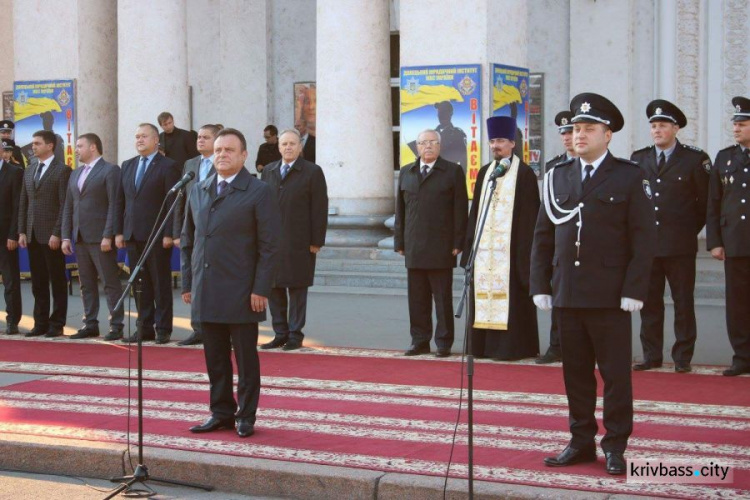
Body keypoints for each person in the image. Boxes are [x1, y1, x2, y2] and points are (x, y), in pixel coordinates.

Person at [530, 93, 656, 475]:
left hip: (610, 295)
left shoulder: (629, 175)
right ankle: (580, 441)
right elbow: (543, 236)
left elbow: (643, 238)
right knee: (576, 375)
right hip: (568, 291)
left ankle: (615, 444)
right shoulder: (558, 176)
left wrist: (635, 289)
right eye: (576, 129)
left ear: (608, 134)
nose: (579, 135)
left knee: (615, 376)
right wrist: (541, 283)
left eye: (589, 129)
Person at [182, 128, 280, 438]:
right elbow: (189, 240)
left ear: (243, 155)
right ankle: (220, 411)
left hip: (242, 290)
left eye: (229, 150)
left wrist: (261, 288)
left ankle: (245, 415)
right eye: (218, 150)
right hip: (207, 287)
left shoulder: (258, 191)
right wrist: (189, 282)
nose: (221, 154)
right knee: (214, 356)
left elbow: (270, 245)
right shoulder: (198, 189)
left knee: (245, 358)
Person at [631, 99, 711, 374]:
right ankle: (651, 355)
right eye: (653, 125)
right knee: (649, 304)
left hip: (679, 245)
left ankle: (682, 357)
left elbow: (704, 204)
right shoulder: (639, 159)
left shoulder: (694, 159)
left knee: (682, 302)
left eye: (663, 125)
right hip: (648, 246)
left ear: (675, 128)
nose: (656, 130)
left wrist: (688, 230)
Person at [462, 116, 540, 361]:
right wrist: (470, 251)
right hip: (484, 253)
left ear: (512, 143)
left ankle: (512, 348)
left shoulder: (525, 174)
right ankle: (483, 347)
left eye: (501, 140)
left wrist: (526, 256)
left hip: (512, 252)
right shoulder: (485, 173)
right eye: (493, 140)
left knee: (513, 300)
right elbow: (475, 213)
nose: (496, 145)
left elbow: (530, 218)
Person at [395, 129, 468, 357]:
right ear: (417, 147)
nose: (427, 146)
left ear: (439, 145)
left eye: (432, 142)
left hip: (441, 245)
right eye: (423, 143)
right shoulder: (407, 172)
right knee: (417, 299)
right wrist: (400, 240)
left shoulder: (452, 171)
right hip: (414, 245)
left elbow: (460, 209)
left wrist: (458, 241)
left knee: (442, 298)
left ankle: (444, 342)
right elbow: (401, 210)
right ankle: (419, 341)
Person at [260, 129, 328, 351]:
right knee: (274, 288)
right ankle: (280, 332)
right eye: (284, 144)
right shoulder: (269, 171)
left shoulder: (312, 171)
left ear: (300, 147)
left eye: (292, 144)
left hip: (300, 240)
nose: (288, 147)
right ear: (278, 147)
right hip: (272, 241)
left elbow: (319, 208)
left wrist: (316, 240)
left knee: (297, 289)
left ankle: (295, 334)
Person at [115, 123, 181, 344]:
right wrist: (119, 232)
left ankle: (163, 328)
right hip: (132, 234)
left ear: (156, 140)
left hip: (157, 234)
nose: (139, 140)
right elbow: (120, 201)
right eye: (136, 137)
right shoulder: (128, 165)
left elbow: (172, 202)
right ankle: (144, 328)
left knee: (160, 283)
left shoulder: (168, 166)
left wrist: (169, 233)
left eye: (144, 136)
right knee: (139, 284)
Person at [61, 133, 124, 341]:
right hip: (79, 237)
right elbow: (69, 206)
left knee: (109, 282)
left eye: (80, 146)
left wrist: (108, 234)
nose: (76, 149)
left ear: (93, 147)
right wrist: (66, 236)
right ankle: (90, 324)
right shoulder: (75, 173)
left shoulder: (110, 170)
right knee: (86, 283)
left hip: (100, 238)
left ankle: (116, 325)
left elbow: (114, 204)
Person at [706, 96, 750, 377]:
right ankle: (743, 357)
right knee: (738, 304)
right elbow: (714, 201)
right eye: (735, 124)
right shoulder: (725, 157)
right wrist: (715, 241)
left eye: (742, 124)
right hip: (735, 243)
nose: (735, 128)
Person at [18, 130, 72, 337]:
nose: (33, 147)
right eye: (33, 143)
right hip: (31, 233)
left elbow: (64, 205)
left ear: (50, 146)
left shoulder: (62, 170)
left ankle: (56, 323)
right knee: (38, 281)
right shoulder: (29, 170)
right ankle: (40, 322)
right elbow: (24, 202)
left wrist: (57, 232)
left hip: (51, 235)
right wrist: (22, 230)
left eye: (37, 143)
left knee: (57, 280)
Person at [537, 110, 577, 364]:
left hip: (587, 244)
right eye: (563, 133)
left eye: (571, 131)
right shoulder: (554, 166)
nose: (566, 137)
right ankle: (556, 345)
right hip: (559, 243)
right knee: (559, 296)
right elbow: (547, 210)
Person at [174, 124, 219, 346]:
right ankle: (197, 328)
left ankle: (215, 328)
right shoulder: (190, 164)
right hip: (190, 224)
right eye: (199, 137)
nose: (200, 141)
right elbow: (181, 199)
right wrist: (177, 231)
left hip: (213, 225)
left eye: (206, 137)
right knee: (192, 275)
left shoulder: (221, 163)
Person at [0, 142, 23, 334]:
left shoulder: (14, 173)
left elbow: (17, 207)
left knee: (10, 282)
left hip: (5, 237)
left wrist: (13, 234)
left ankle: (12, 320)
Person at [434, 101, 468, 170]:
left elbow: (463, 161)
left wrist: (461, 180)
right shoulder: (432, 134)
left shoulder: (458, 134)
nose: (440, 115)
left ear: (450, 114)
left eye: (443, 112)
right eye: (439, 112)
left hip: (450, 175)